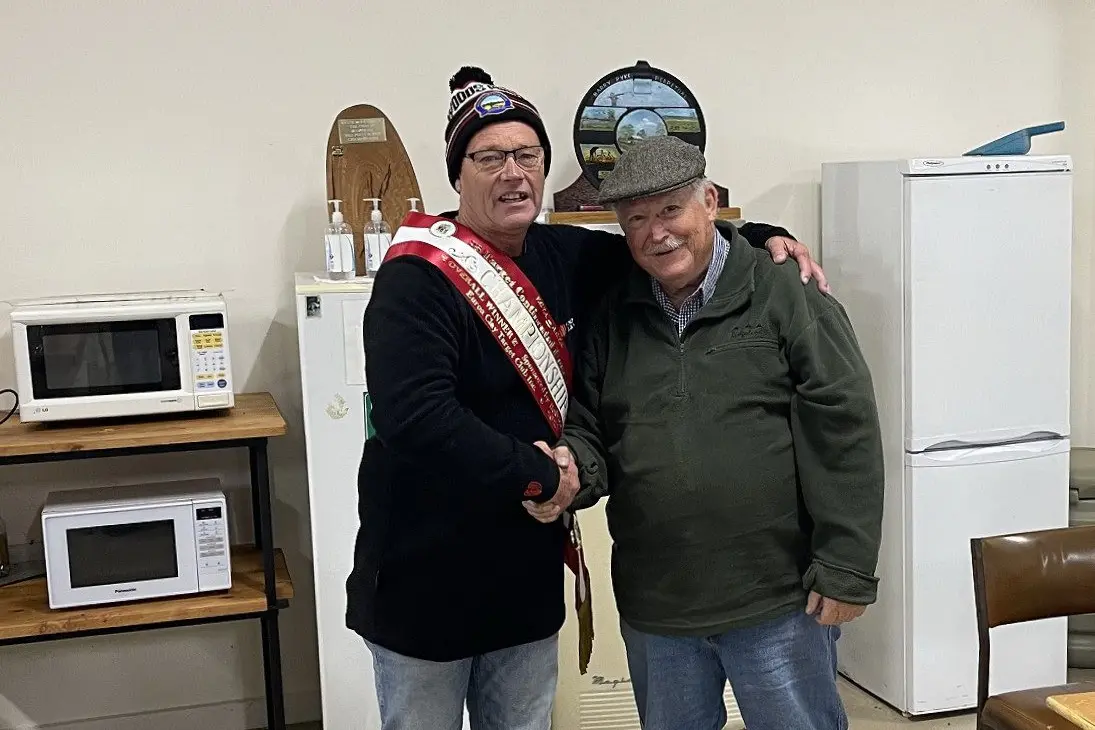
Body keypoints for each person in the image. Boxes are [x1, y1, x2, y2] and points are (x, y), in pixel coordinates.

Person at [348, 66, 828, 730]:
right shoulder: (413, 282)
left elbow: (662, 242)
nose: (512, 172)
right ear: (458, 174)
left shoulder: (564, 255)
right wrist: (543, 472)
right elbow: (417, 420)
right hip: (424, 574)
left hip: (520, 572)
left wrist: (759, 235)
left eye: (527, 156)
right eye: (490, 158)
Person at [527, 135, 885, 730]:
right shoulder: (614, 312)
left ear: (710, 203)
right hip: (657, 609)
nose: (656, 232)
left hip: (775, 600)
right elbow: (589, 423)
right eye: (636, 219)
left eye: (670, 210)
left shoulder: (784, 292)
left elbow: (844, 424)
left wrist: (847, 565)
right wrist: (571, 473)